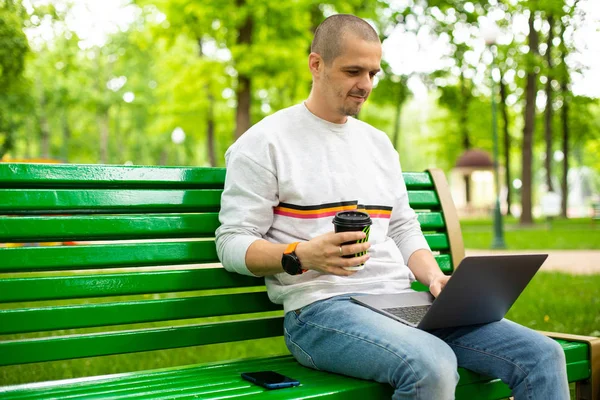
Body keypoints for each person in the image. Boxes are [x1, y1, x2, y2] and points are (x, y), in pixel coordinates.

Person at [215, 14, 569, 400]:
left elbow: (402, 226)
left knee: (542, 354)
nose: (365, 85)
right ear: (316, 64)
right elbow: (231, 242)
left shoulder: (378, 144)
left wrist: (434, 278)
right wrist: (300, 255)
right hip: (320, 311)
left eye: (372, 73)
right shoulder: (265, 143)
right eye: (353, 71)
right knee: (431, 365)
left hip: (403, 302)